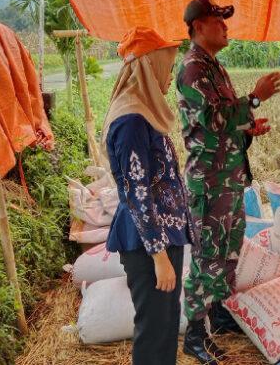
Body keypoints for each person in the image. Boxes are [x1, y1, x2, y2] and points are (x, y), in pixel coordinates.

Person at [177, 0, 280, 364]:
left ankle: (219, 314)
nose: (225, 25)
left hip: (228, 179)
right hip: (209, 184)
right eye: (217, 20)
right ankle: (194, 333)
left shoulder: (216, 68)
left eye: (225, 19)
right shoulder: (193, 68)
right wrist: (254, 99)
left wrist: (248, 127)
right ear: (197, 27)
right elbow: (210, 119)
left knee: (228, 252)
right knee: (208, 257)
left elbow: (224, 126)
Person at [102, 26, 193, 365]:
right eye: (167, 68)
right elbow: (138, 194)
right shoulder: (132, 121)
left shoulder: (143, 114)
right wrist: (159, 257)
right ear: (148, 68)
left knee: (167, 324)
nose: (170, 77)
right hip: (148, 246)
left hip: (161, 240)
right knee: (154, 330)